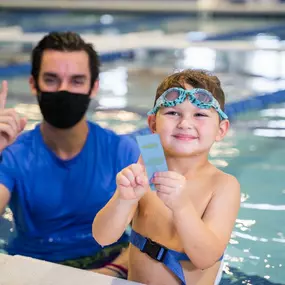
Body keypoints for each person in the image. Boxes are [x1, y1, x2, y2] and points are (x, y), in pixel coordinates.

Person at [0, 31, 140, 278]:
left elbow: (162, 232)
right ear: (33, 84)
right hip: (35, 269)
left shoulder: (125, 149)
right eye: (52, 80)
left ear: (93, 87)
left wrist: (113, 270)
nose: (64, 90)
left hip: (112, 263)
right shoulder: (12, 153)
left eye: (76, 81)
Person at [92, 69, 241, 284]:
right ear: (153, 124)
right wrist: (124, 198)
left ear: (221, 129)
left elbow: (206, 258)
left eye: (200, 114)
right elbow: (102, 237)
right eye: (173, 113)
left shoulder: (223, 185)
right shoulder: (148, 166)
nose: (185, 123)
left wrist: (182, 207)